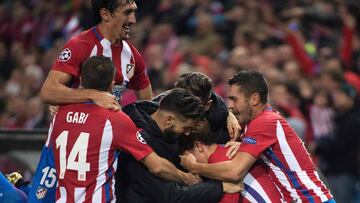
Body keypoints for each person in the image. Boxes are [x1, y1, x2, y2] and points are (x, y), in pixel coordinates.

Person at [30, 56, 196, 203]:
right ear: (112, 84)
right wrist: (186, 178)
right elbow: (157, 166)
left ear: (81, 79)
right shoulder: (115, 120)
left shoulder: (59, 114)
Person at [181, 69, 335, 203]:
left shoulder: (264, 122)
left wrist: (194, 166)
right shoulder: (259, 122)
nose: (231, 105)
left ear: (254, 99)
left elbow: (235, 172)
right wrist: (241, 142)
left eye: (235, 99)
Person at [116, 88, 243, 203]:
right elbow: (172, 196)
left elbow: (197, 90)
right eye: (186, 128)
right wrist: (220, 187)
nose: (188, 133)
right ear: (169, 120)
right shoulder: (138, 144)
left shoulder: (165, 109)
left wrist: (229, 117)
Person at [40, 0, 153, 111]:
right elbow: (48, 91)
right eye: (127, 13)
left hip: (110, 127)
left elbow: (149, 105)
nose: (133, 20)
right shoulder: (80, 45)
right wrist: (93, 95)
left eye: (133, 12)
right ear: (105, 14)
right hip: (76, 126)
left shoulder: (132, 55)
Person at [179, 120, 282, 203]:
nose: (187, 167)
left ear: (198, 146)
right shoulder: (229, 150)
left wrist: (194, 167)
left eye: (187, 159)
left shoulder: (219, 166)